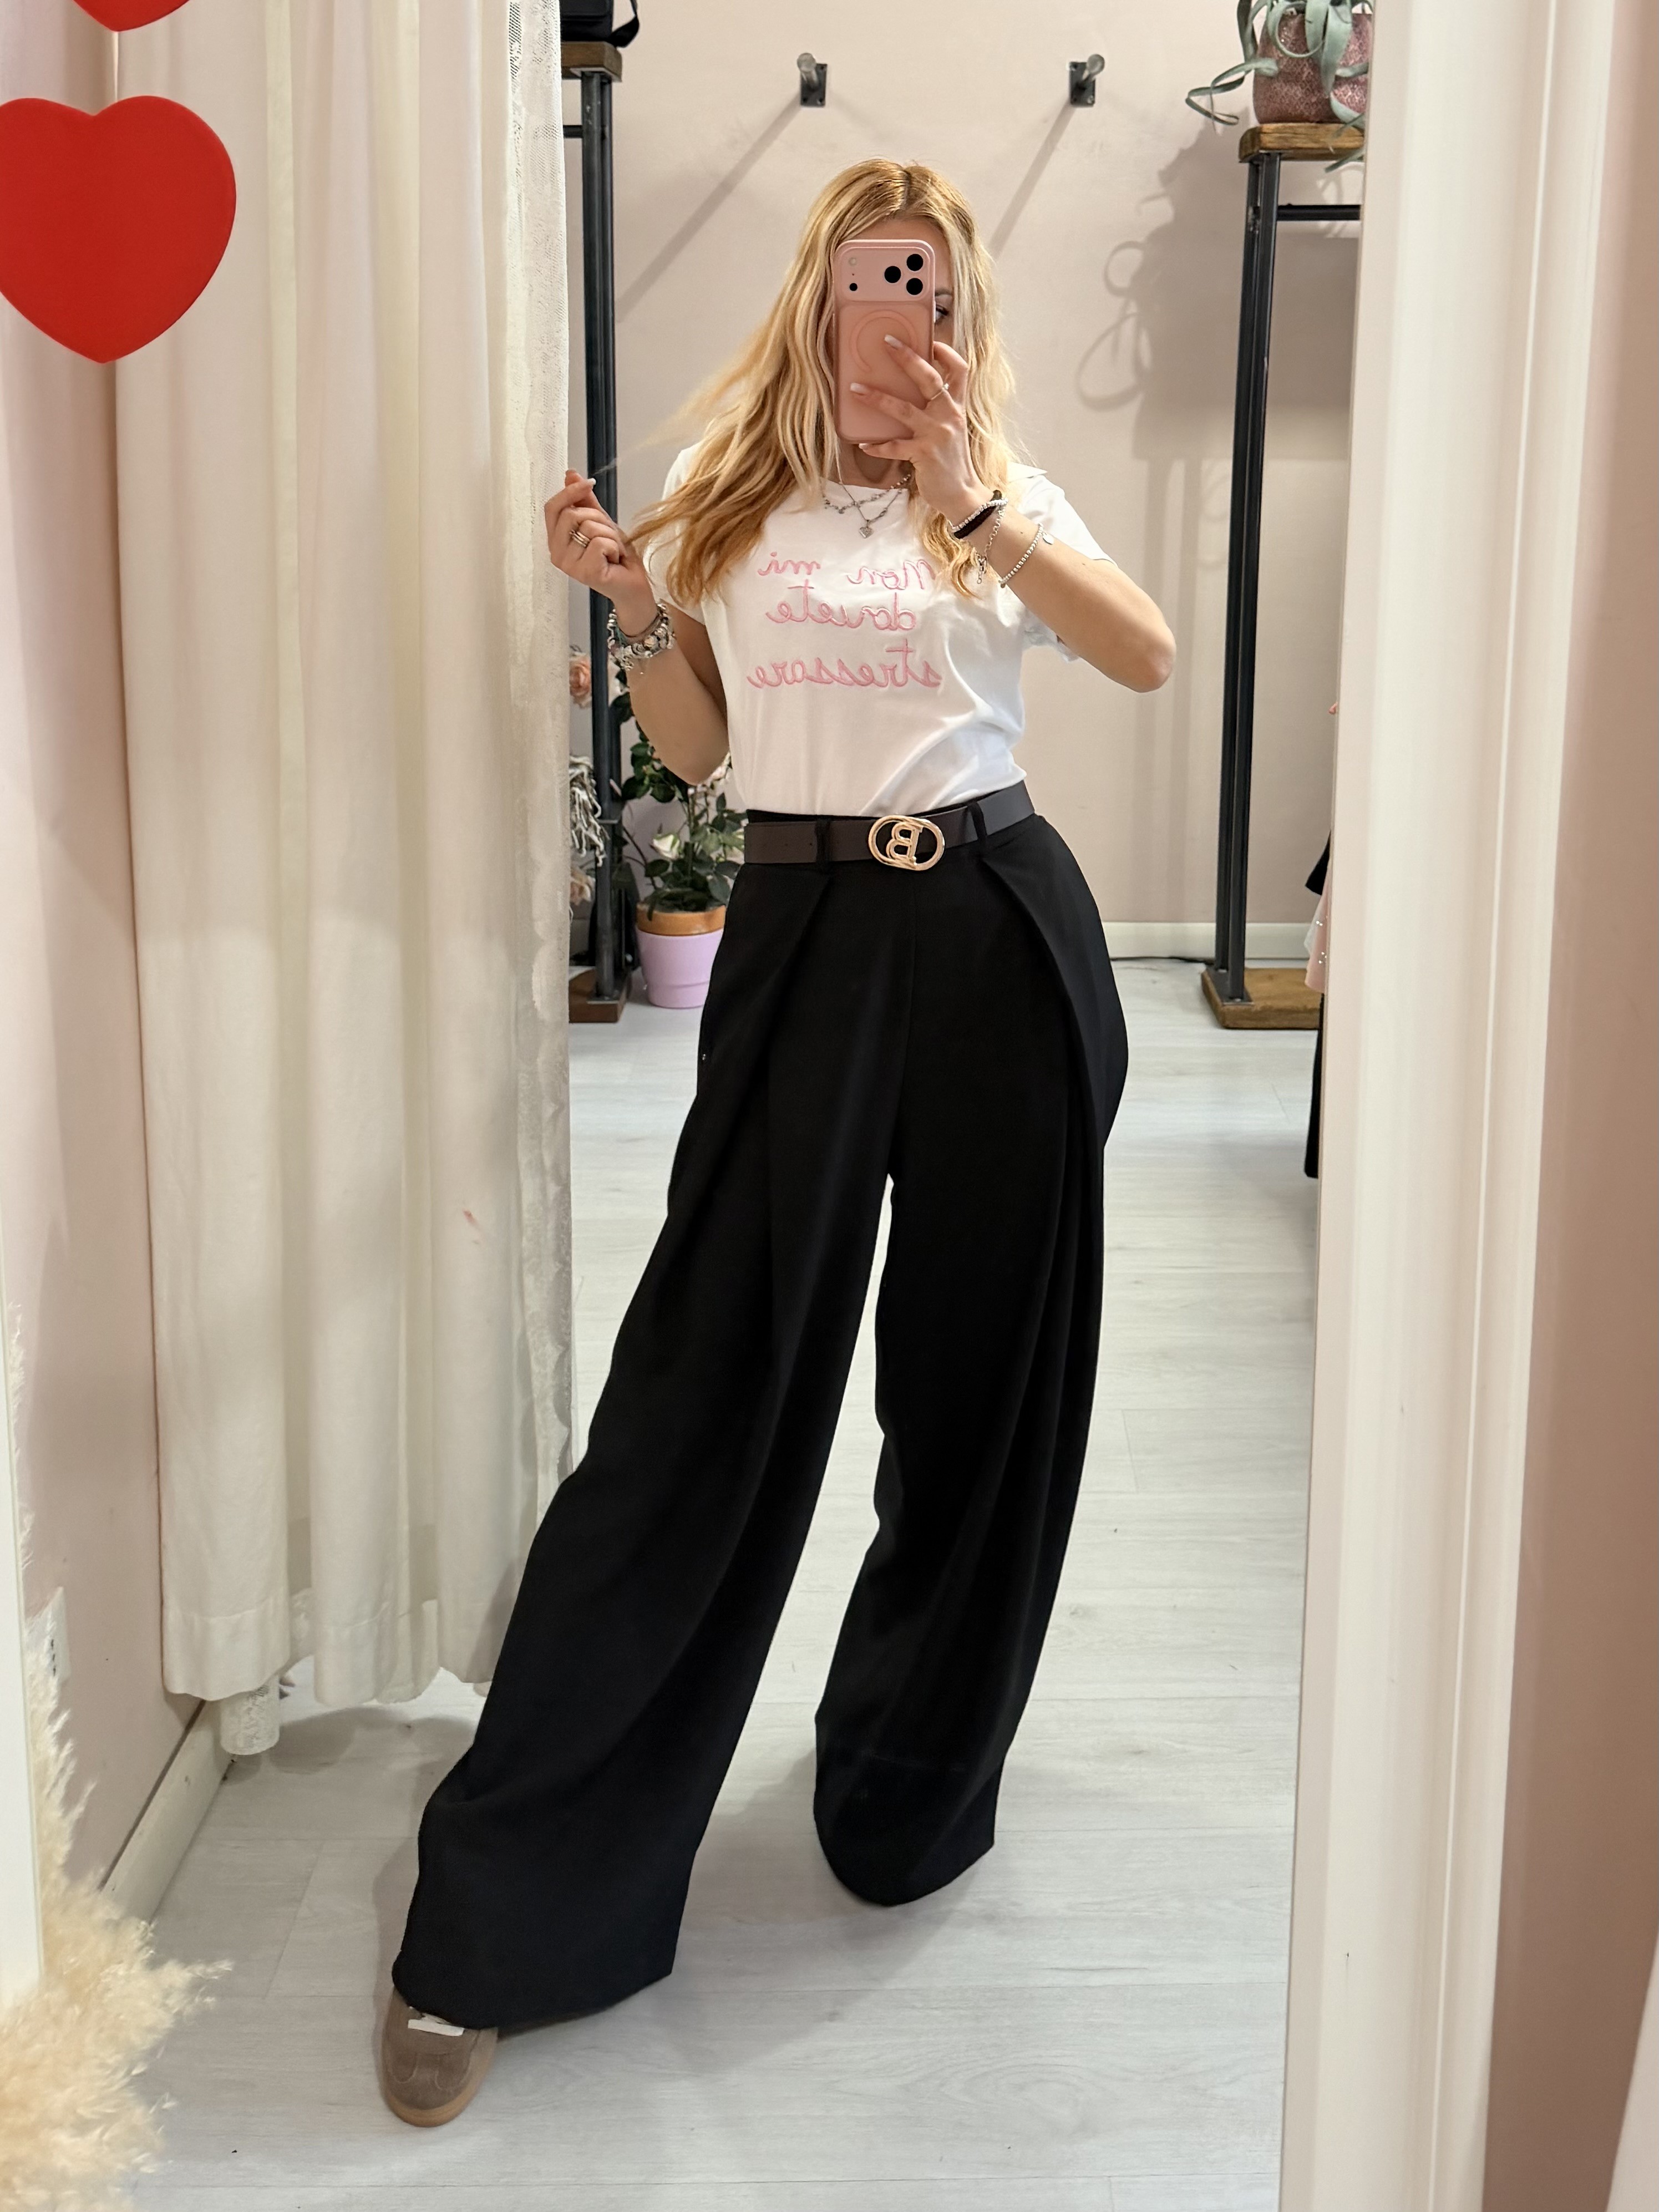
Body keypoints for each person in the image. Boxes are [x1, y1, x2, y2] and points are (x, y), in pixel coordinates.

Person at [378, 158, 1174, 2128]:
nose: (899, 312)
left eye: (931, 282)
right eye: (870, 277)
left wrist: (974, 502)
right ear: (818, 296)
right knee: (699, 1395)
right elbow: (709, 750)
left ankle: (910, 1784)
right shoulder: (731, 495)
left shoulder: (999, 487)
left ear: (961, 309)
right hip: (805, 935)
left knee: (982, 1395)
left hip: (997, 927)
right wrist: (637, 608)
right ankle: (510, 1900)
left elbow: (1144, 651)